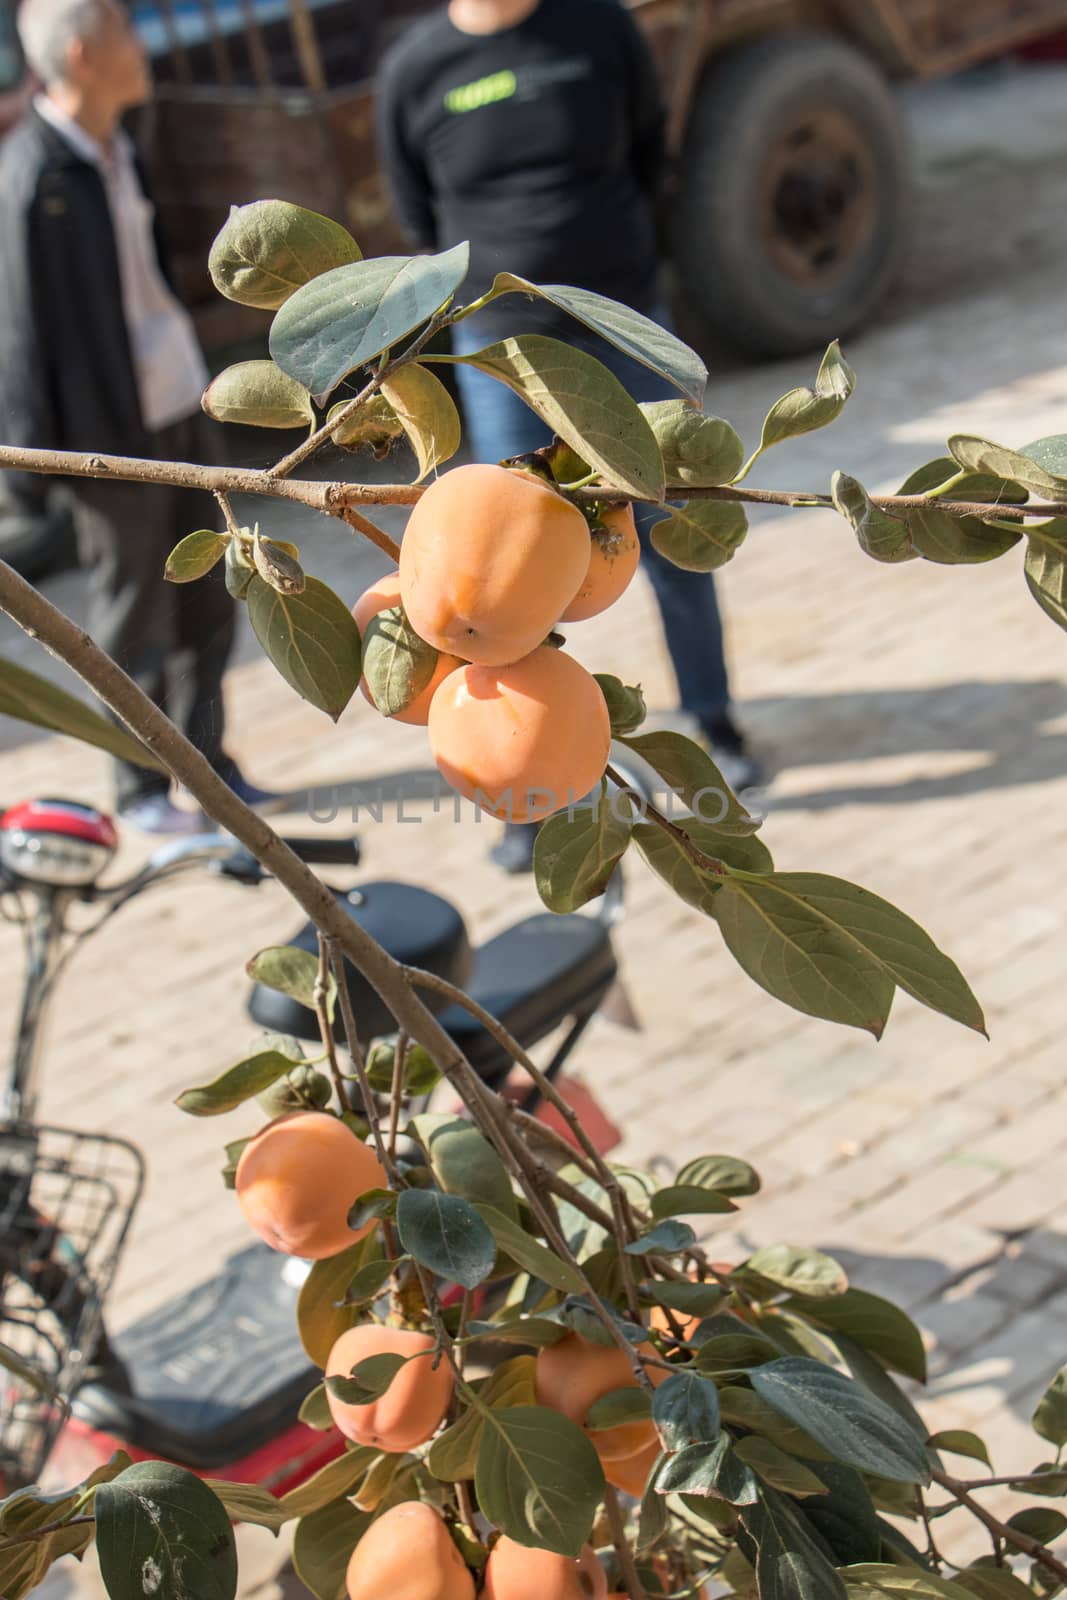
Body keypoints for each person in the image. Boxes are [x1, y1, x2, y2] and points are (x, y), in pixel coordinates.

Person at [377, 0, 762, 872]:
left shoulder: (596, 27)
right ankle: (523, 794)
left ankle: (716, 727)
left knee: (667, 534)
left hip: (624, 327)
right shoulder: (415, 69)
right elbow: (418, 215)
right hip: (502, 353)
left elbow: (646, 150)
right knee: (497, 577)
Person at [0, 0, 278, 833]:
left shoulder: (120, 146)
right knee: (131, 620)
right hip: (103, 441)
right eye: (126, 29)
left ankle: (211, 774)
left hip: (175, 404)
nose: (142, 44)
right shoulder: (32, 178)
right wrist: (30, 481)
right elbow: (16, 338)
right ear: (84, 53)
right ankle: (142, 793)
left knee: (209, 602)